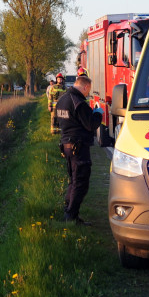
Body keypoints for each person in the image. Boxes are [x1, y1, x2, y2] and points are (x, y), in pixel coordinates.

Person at [55, 74, 103, 225]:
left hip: (66, 145)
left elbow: (58, 122)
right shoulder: (79, 102)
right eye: (88, 91)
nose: (88, 94)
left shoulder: (62, 99)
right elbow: (90, 125)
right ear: (85, 87)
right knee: (80, 182)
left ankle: (68, 210)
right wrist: (97, 114)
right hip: (78, 147)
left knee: (73, 181)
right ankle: (71, 216)